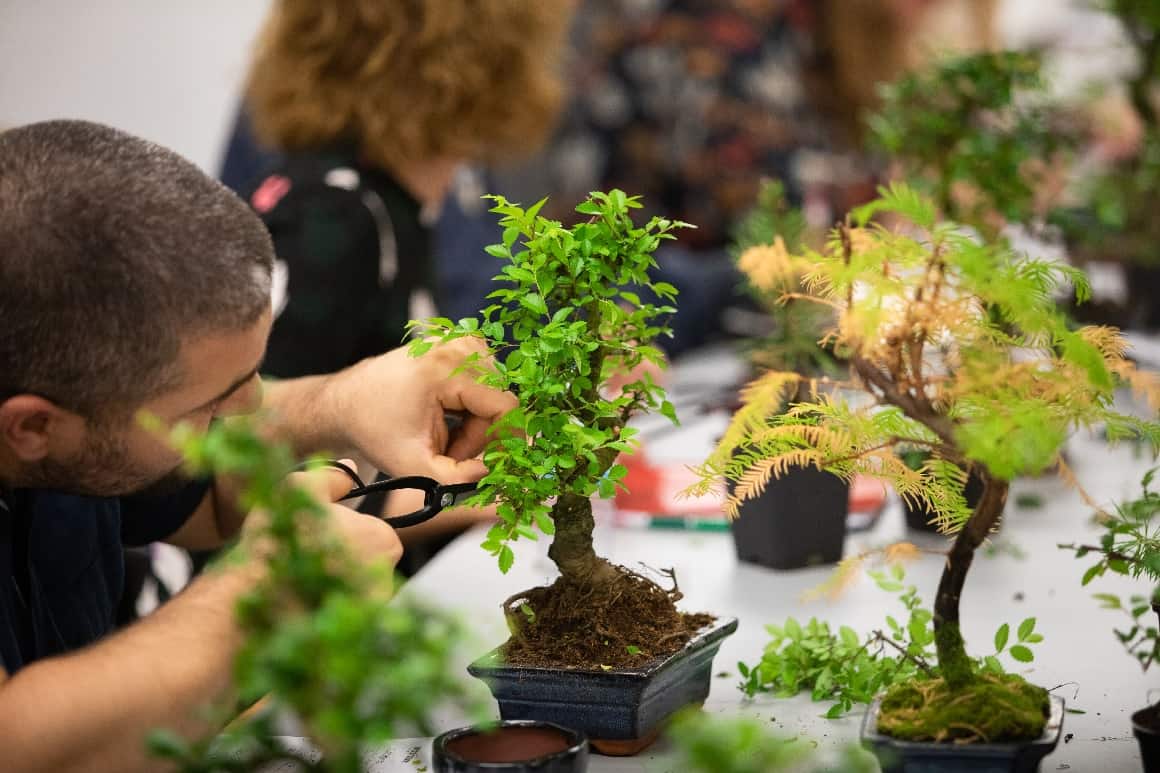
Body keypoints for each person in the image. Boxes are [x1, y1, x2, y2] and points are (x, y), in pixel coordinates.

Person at [0, 119, 514, 772]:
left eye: (249, 377)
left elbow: (212, 501)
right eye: (210, 404)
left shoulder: (77, 419)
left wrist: (342, 401)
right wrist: (262, 589)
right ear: (33, 428)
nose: (250, 414)